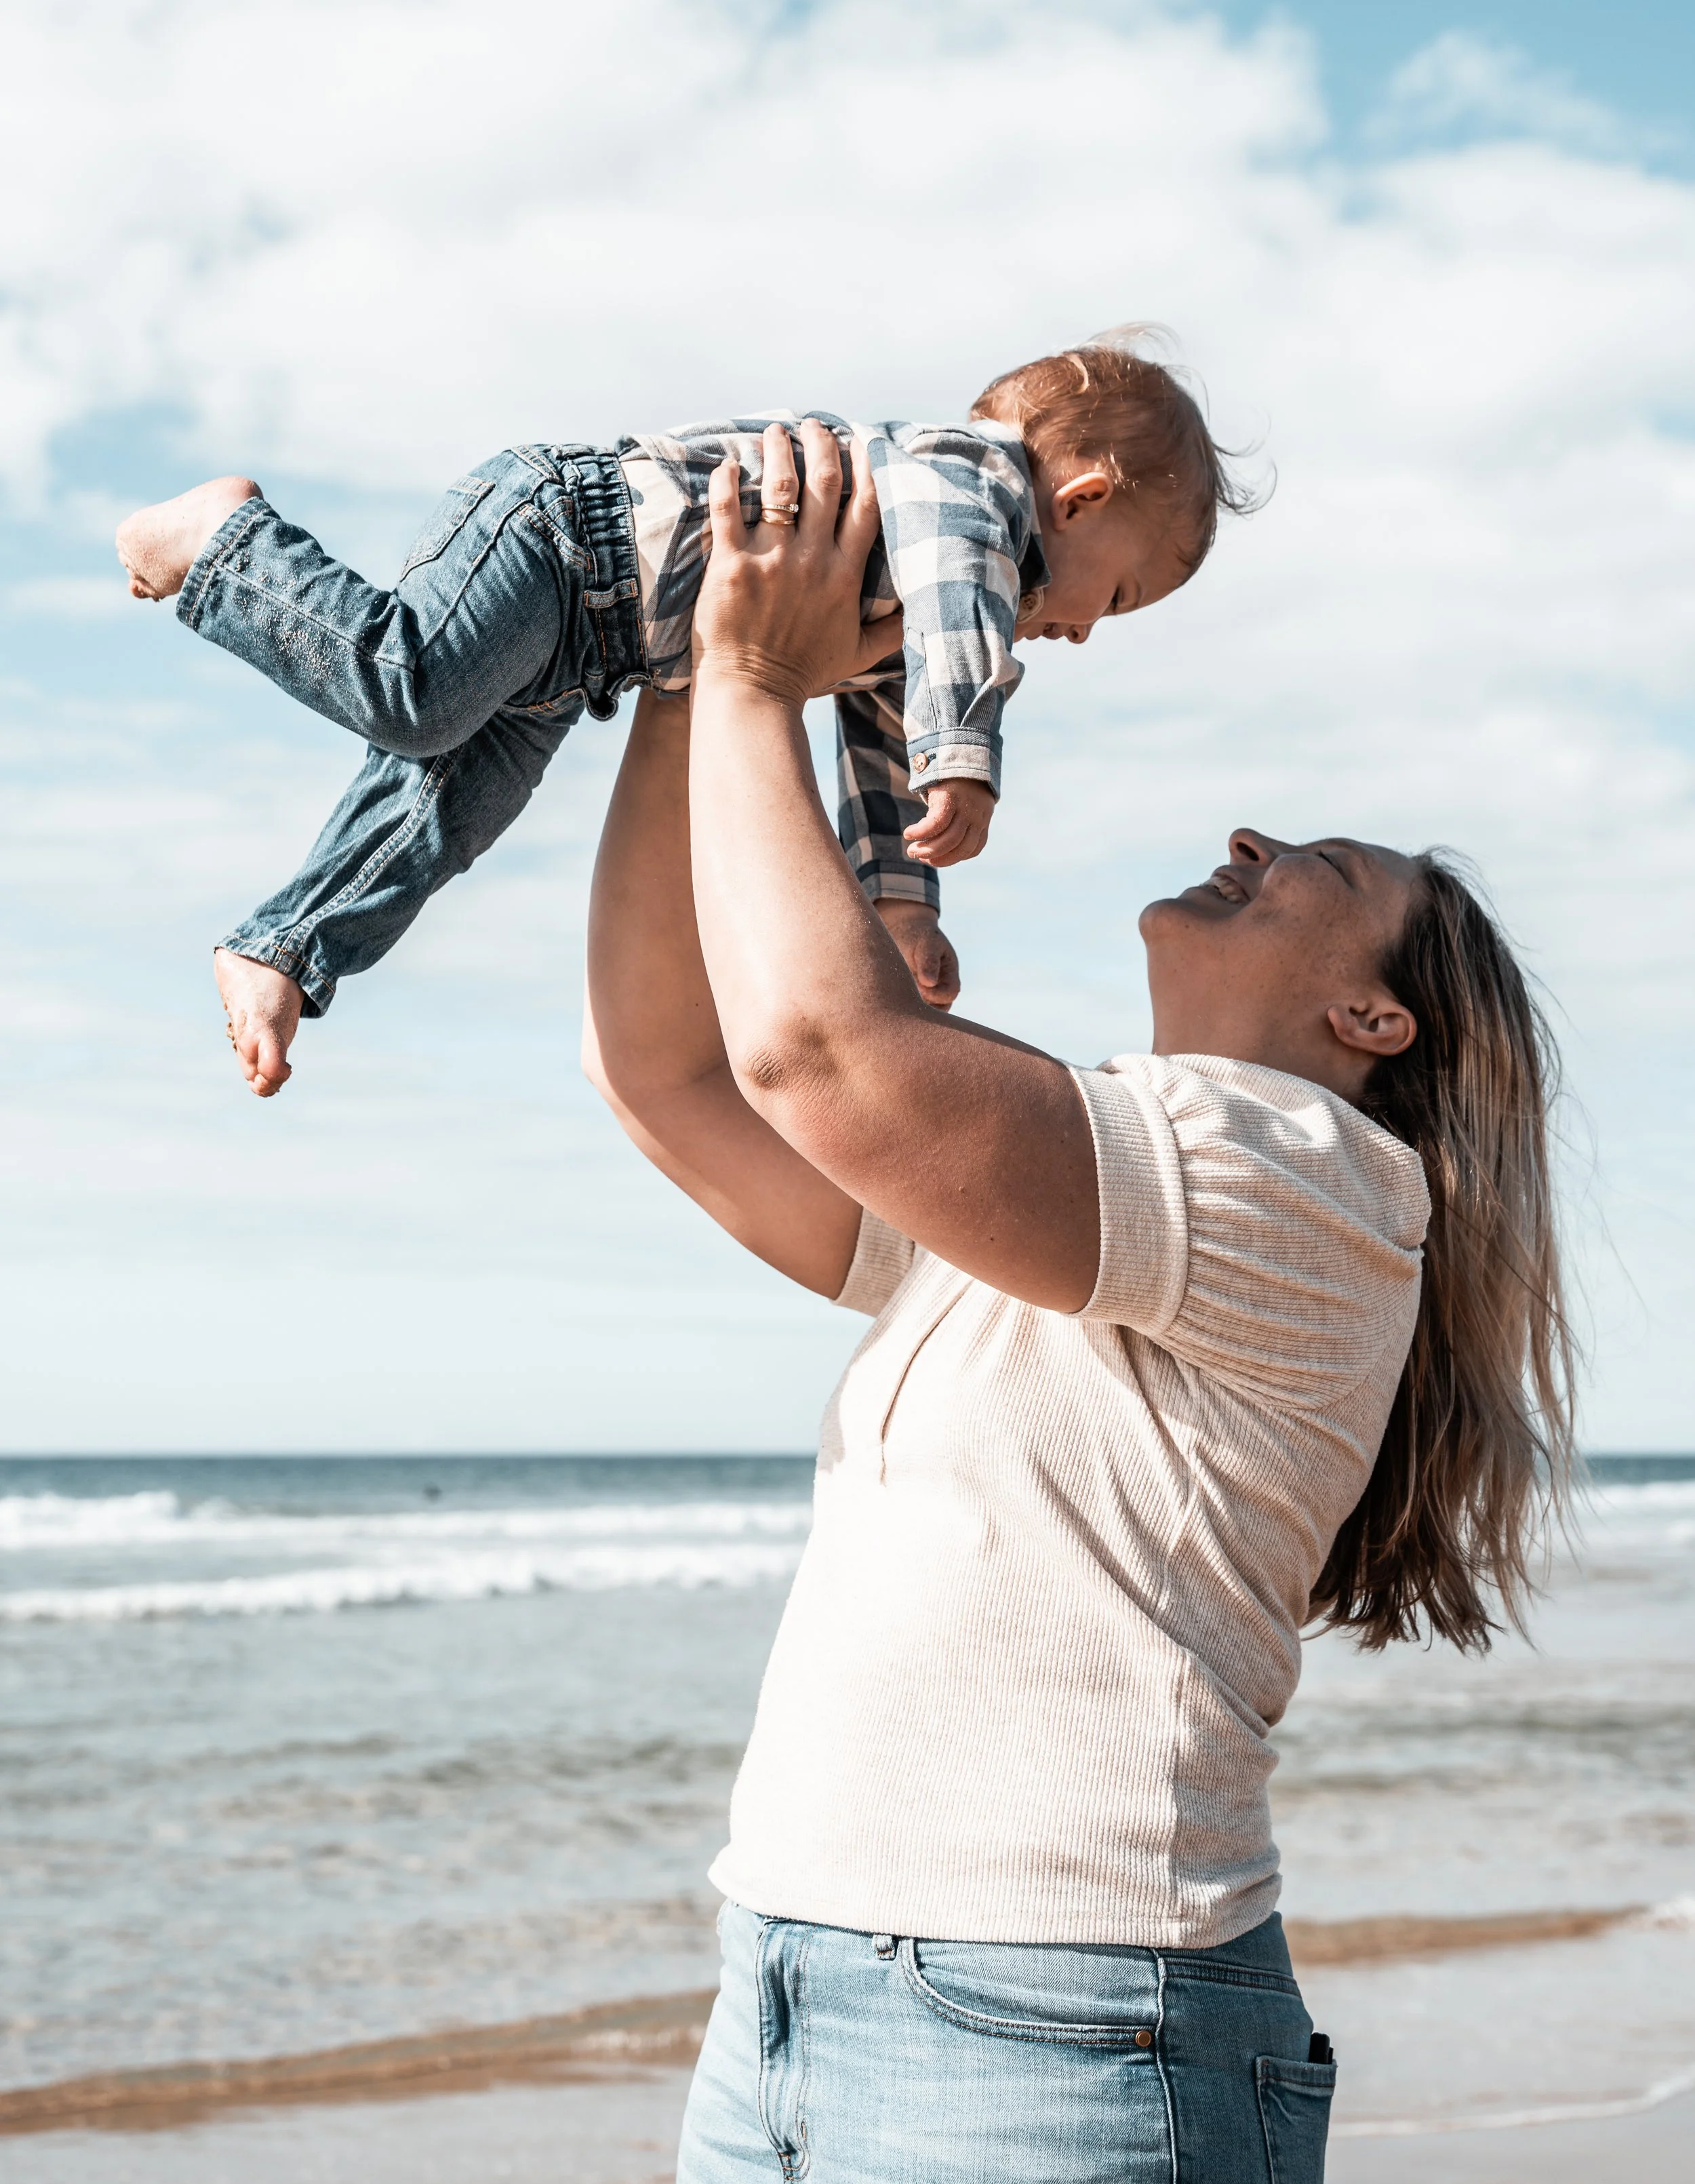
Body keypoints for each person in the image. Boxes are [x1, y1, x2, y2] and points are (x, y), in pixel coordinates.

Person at [582, 420, 1574, 2183]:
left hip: (1054, 2020)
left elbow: (817, 1053)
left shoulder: (1309, 1179)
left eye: (1319, 868)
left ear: (1372, 1022)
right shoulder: (1097, 1189)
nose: (1249, 832)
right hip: (797, 1977)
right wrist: (688, 668)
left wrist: (754, 681)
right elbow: (679, 1073)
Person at [113, 336, 1248, 1095]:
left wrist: (902, 906)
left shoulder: (924, 600)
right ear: (1082, 495)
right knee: (412, 689)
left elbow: (879, 743)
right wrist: (969, 752)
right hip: (564, 534)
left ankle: (284, 947)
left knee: (443, 820)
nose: (1091, 629)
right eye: (1123, 592)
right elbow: (963, 606)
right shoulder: (968, 483)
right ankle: (225, 542)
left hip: (590, 652)